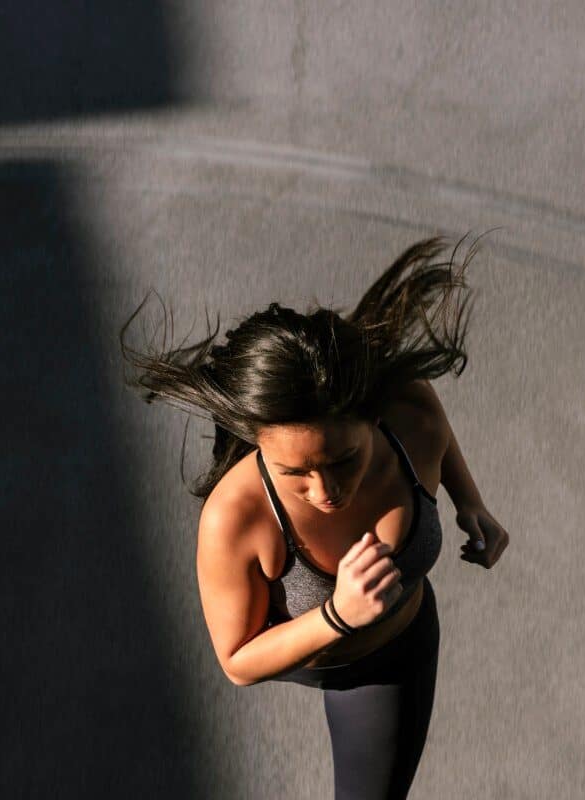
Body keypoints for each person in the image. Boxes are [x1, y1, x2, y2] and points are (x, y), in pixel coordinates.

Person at [118, 231, 512, 800]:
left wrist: (469, 500)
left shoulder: (407, 408)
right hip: (340, 659)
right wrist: (338, 616)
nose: (323, 490)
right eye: (292, 472)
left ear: (375, 417)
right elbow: (237, 660)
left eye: (343, 459)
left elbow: (436, 435)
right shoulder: (236, 517)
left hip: (399, 652)